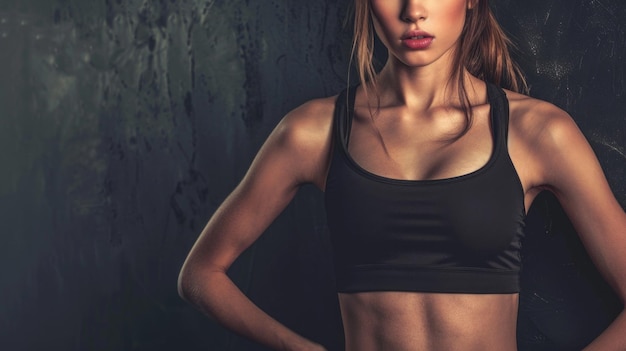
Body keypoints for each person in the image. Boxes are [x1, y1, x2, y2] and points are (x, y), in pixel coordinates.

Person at [178, 0, 626, 350]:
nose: (413, 12)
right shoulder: (313, 132)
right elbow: (200, 273)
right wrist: (298, 348)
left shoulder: (538, 132)